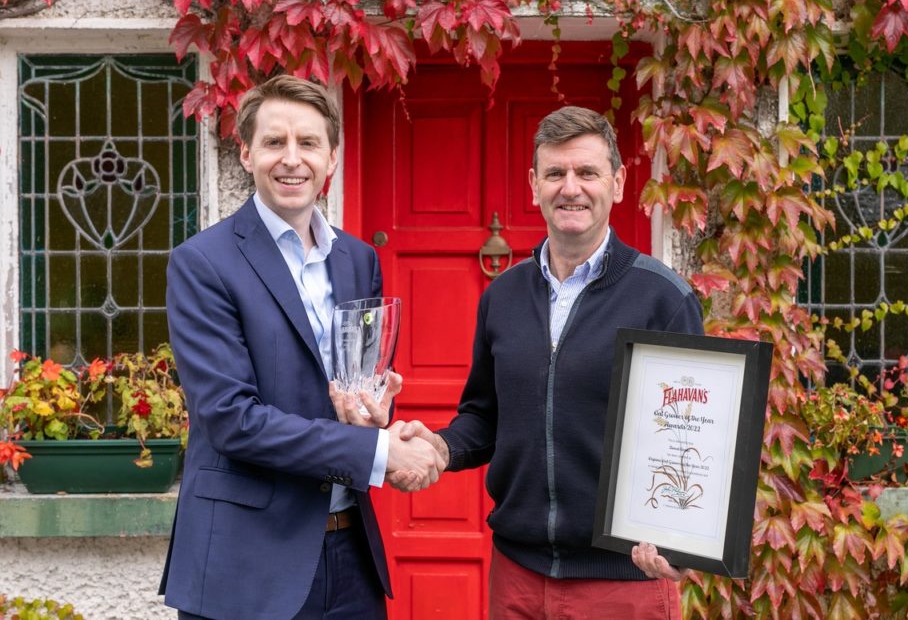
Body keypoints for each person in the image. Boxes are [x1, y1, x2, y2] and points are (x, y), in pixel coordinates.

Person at [394, 105, 704, 618]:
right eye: (556, 173)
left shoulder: (663, 299)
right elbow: (485, 416)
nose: (571, 188)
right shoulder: (504, 295)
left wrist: (683, 543)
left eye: (587, 172)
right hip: (516, 577)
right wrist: (441, 447)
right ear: (534, 184)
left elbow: (691, 443)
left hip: (623, 582)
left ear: (619, 183)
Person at [159, 75, 444, 620]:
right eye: (274, 142)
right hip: (247, 565)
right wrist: (380, 454)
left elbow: (353, 385)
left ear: (332, 156)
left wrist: (373, 417)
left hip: (350, 554)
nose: (292, 159)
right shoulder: (203, 264)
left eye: (309, 143)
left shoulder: (358, 260)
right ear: (245, 153)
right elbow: (231, 419)